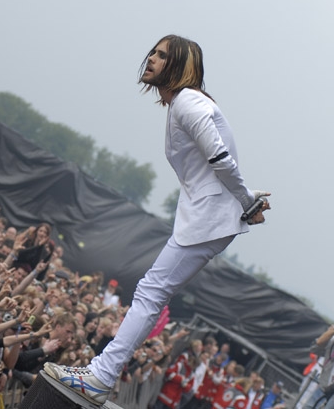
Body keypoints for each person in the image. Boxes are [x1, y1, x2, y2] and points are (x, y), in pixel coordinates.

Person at [44, 34, 271, 406]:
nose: (151, 58)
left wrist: (246, 201)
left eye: (163, 55)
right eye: (153, 51)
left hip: (209, 218)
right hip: (209, 216)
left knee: (151, 293)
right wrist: (244, 200)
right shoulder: (182, 104)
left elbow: (220, 157)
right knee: (152, 292)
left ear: (179, 66)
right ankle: (101, 372)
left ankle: (101, 375)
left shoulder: (186, 102)